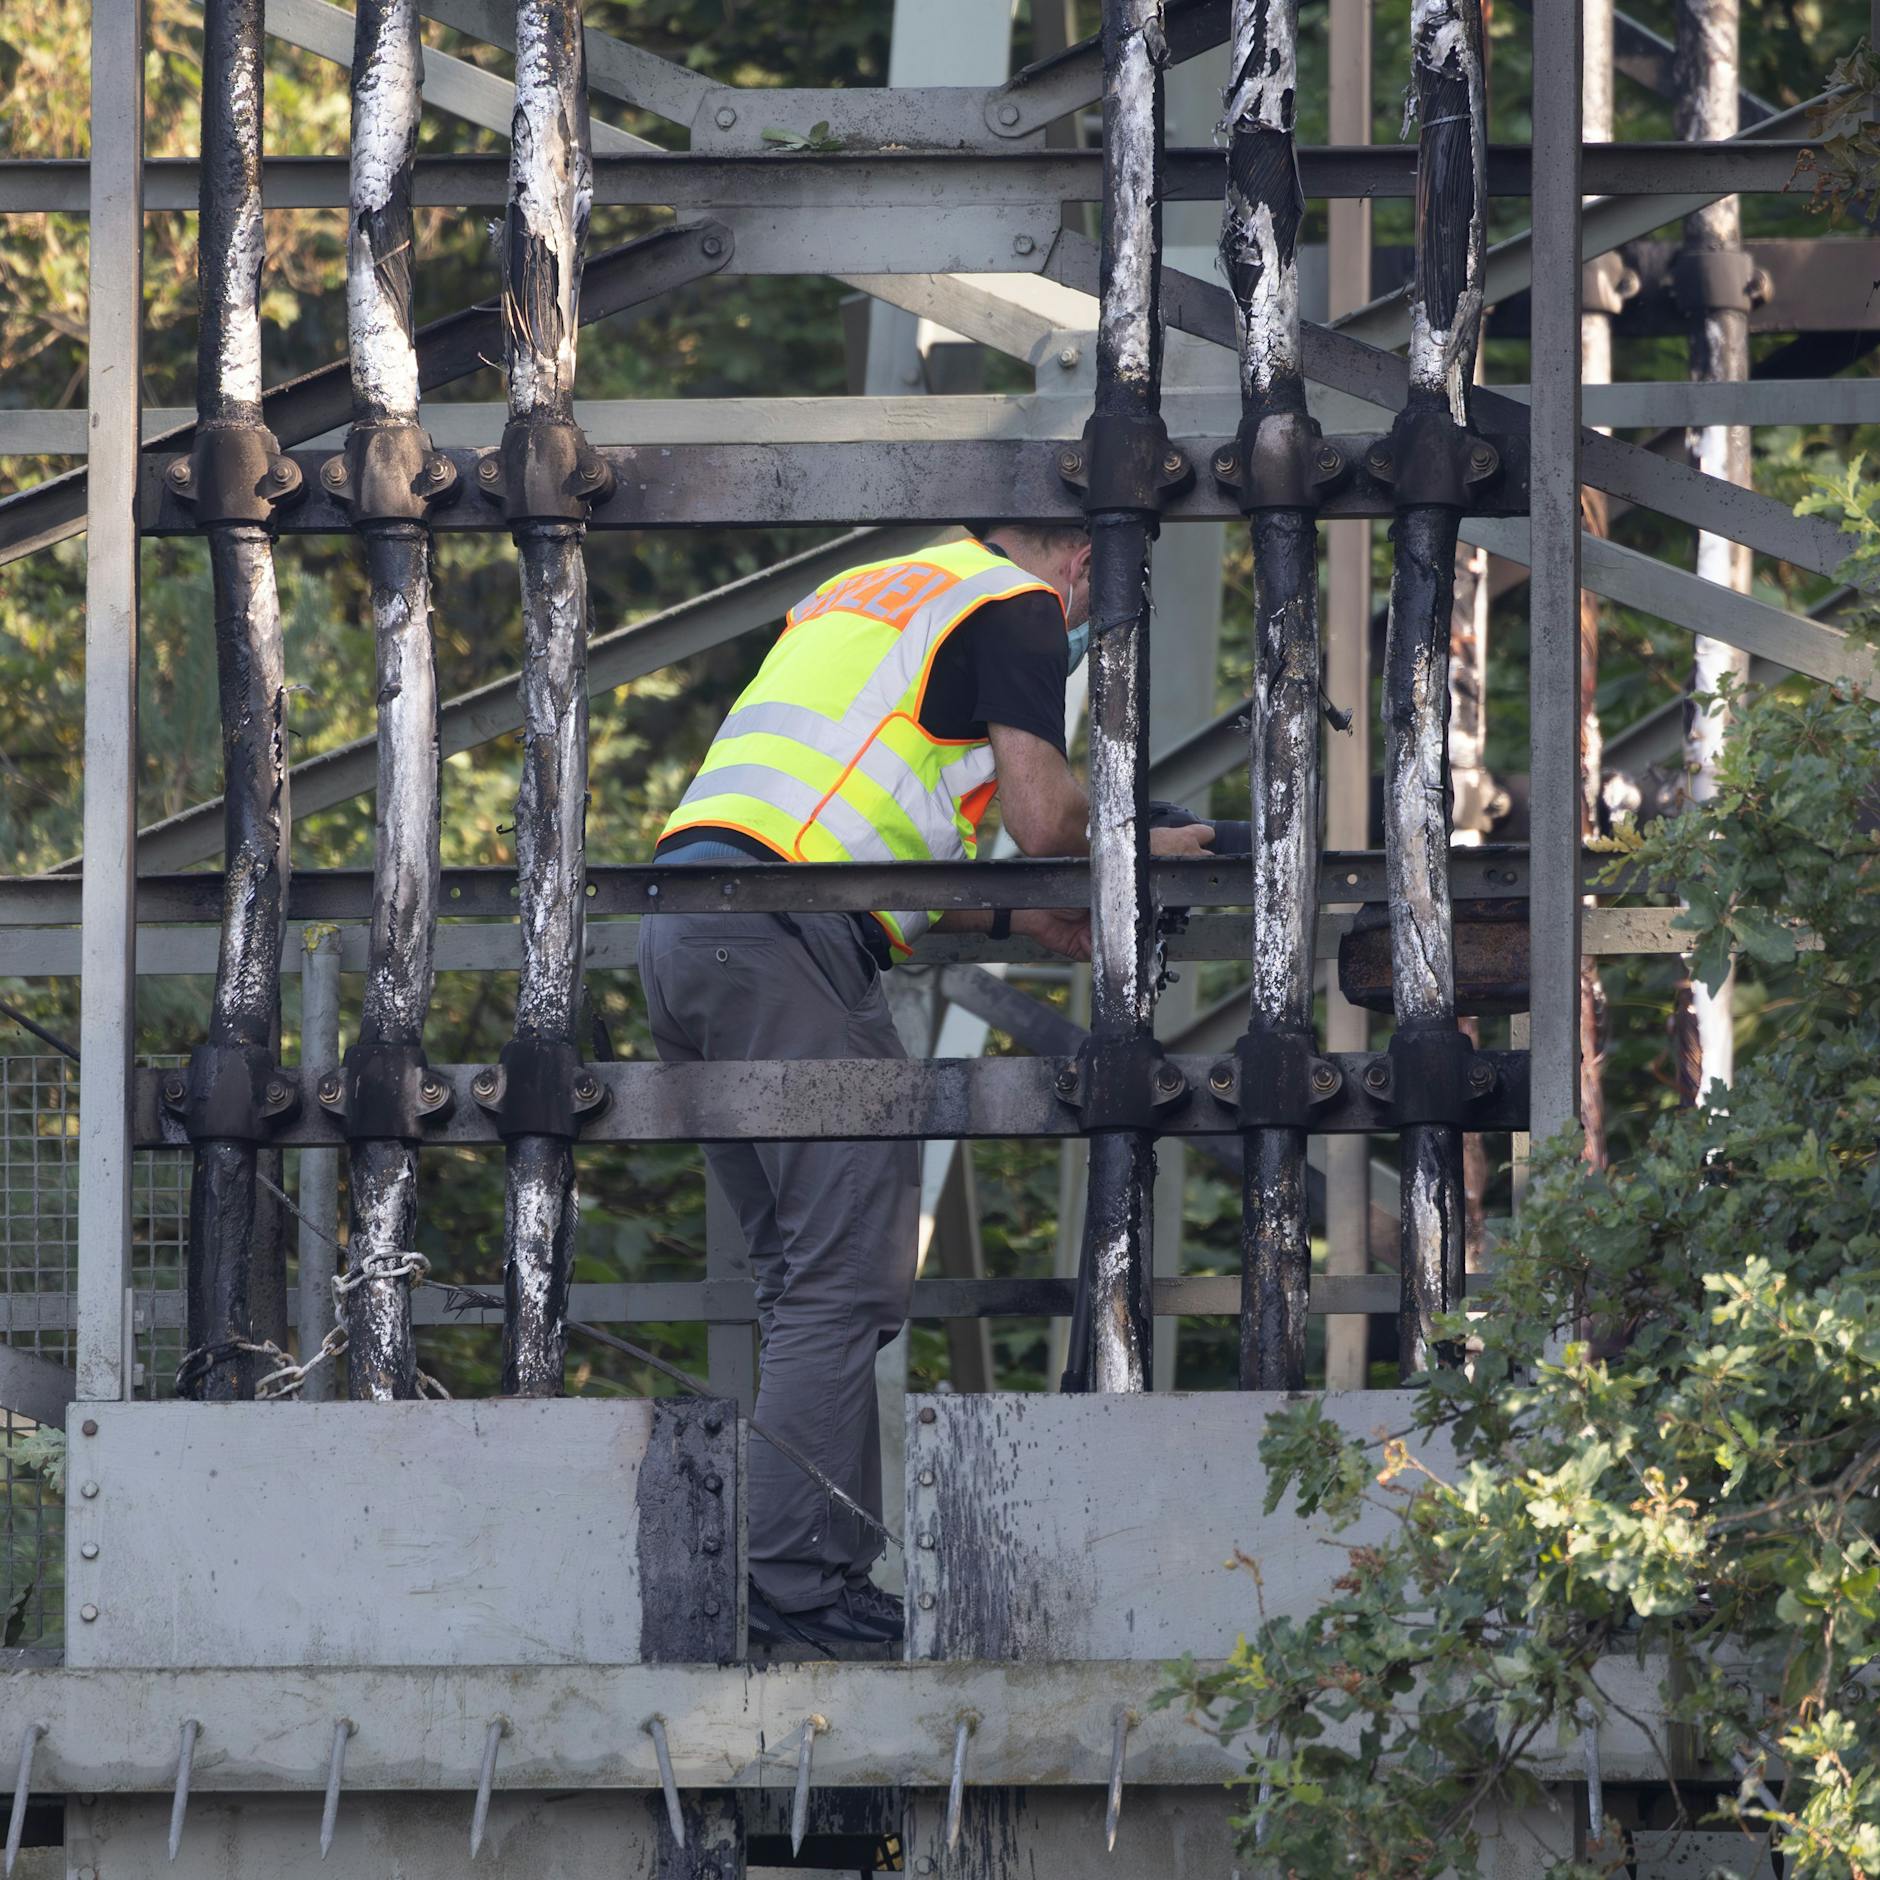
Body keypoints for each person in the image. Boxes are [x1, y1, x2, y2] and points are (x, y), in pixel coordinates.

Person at [637, 522, 1214, 1654]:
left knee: (804, 1276)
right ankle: (796, 1591)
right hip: (787, 938)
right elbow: (1045, 820)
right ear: (1083, 559)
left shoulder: (869, 590)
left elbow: (862, 842)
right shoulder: (1017, 604)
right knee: (847, 1278)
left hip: (688, 927)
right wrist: (1147, 845)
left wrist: (1018, 916)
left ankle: (787, 1578)